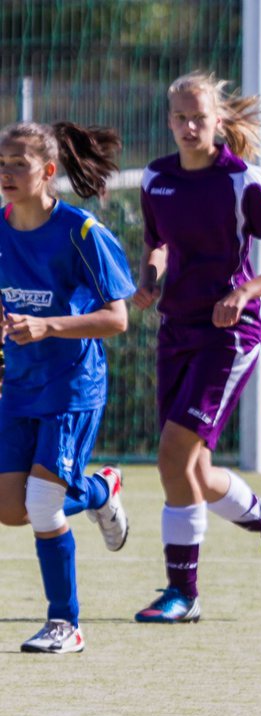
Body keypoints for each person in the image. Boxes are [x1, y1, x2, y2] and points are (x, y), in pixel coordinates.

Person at [131, 70, 261, 623]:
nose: (188, 126)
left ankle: (182, 593)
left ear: (217, 121)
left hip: (229, 337)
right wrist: (149, 279)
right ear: (168, 120)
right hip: (175, 329)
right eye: (179, 117)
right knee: (196, 474)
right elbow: (157, 242)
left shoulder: (242, 181)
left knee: (171, 458)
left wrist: (245, 291)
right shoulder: (156, 179)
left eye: (198, 118)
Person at [0, 120, 136, 653]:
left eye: (19, 164)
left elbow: (117, 318)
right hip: (21, 385)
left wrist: (50, 325)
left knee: (41, 504)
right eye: (2, 163)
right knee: (12, 508)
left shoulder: (81, 232)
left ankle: (65, 623)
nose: (6, 173)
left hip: (72, 385)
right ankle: (101, 488)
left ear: (48, 172)